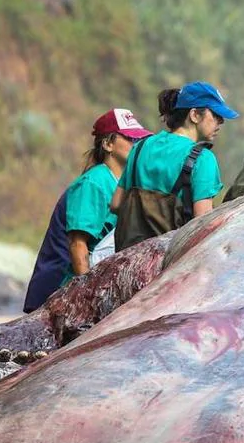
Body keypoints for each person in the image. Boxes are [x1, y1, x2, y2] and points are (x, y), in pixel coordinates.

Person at [22, 109, 152, 313]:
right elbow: (77, 244)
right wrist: (87, 298)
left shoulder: (120, 183)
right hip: (62, 291)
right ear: (108, 144)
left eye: (138, 139)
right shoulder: (93, 183)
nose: (136, 145)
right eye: (129, 138)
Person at [111, 82, 238, 251]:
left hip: (128, 255)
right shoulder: (202, 159)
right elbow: (203, 226)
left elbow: (116, 204)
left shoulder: (141, 147)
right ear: (194, 115)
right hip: (169, 264)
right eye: (215, 115)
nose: (220, 121)